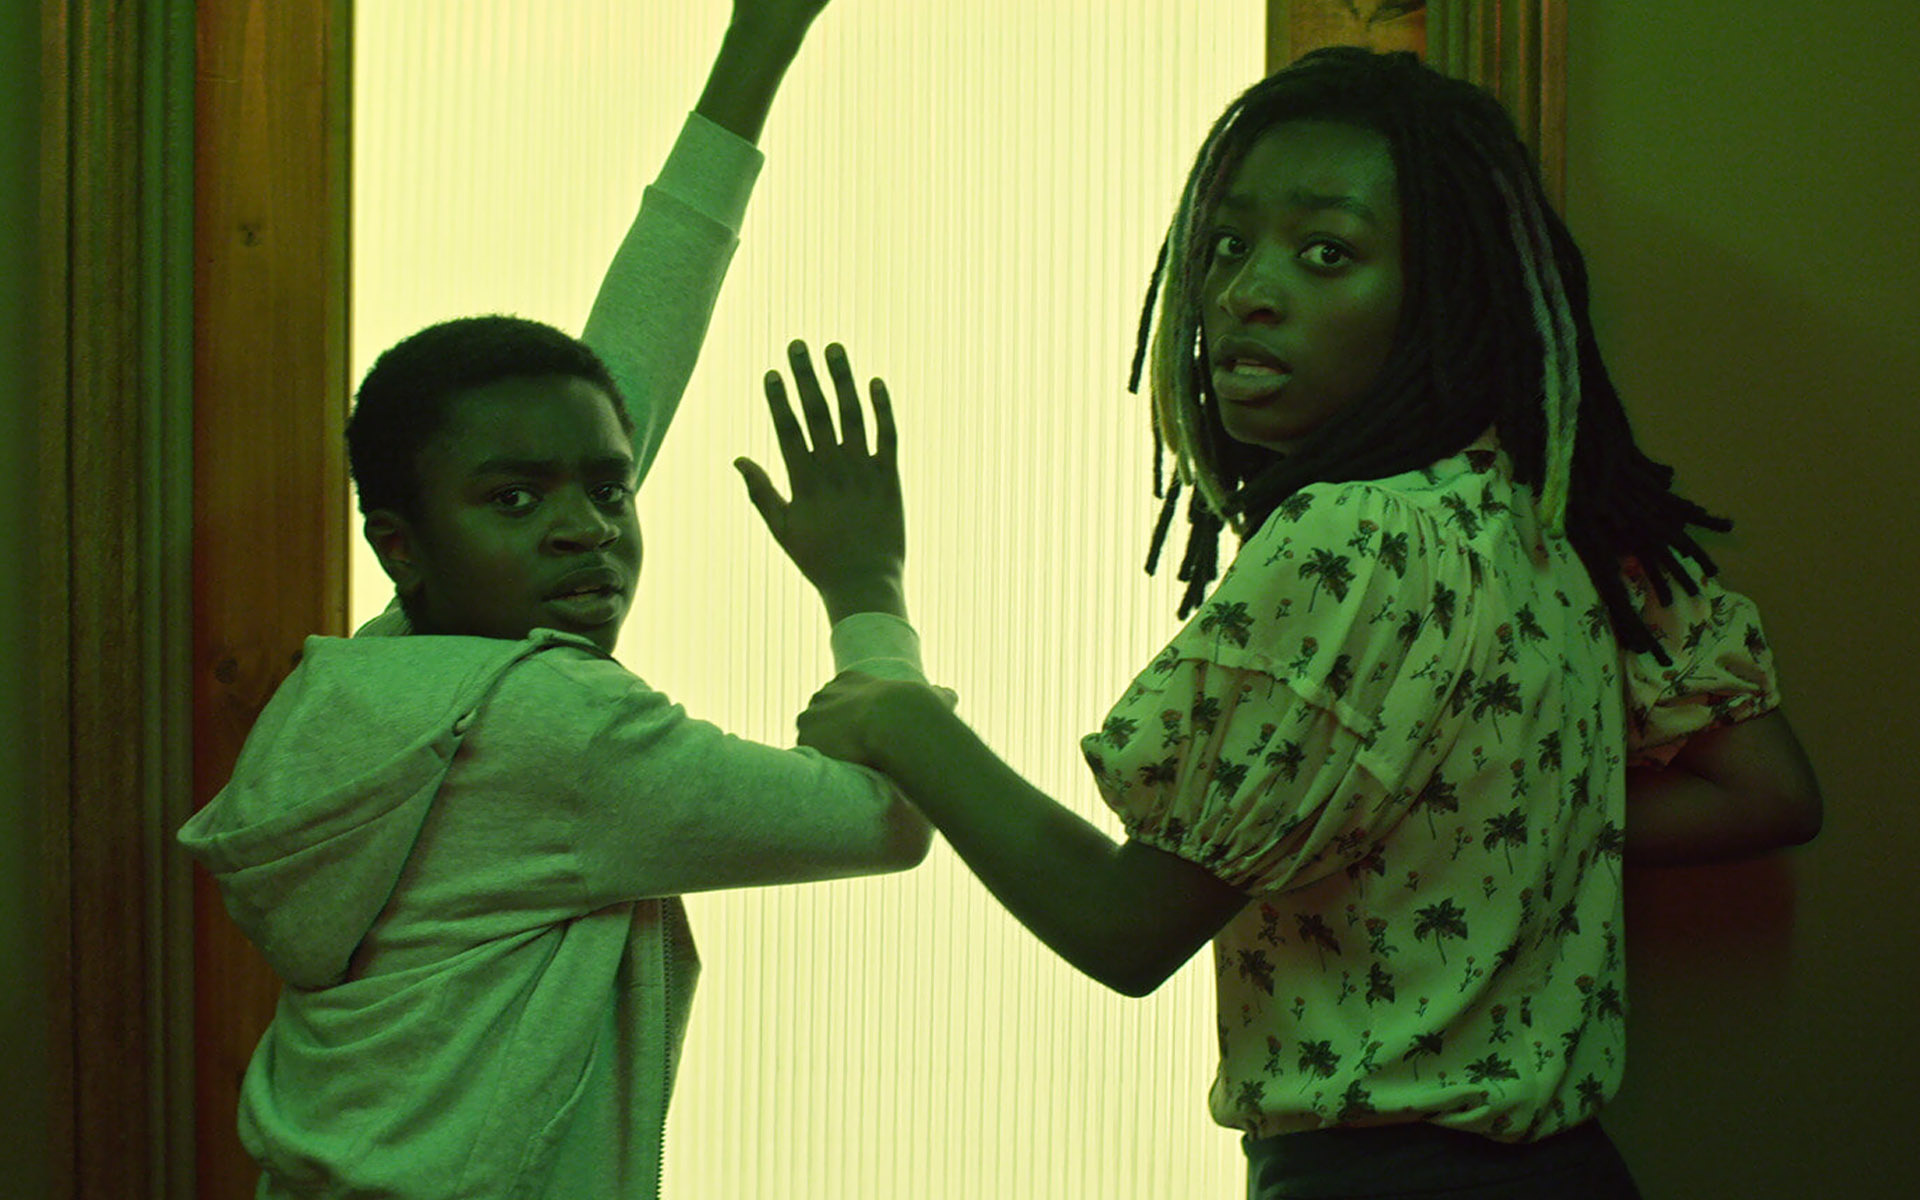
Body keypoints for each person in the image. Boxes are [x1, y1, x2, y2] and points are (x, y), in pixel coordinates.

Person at [736, 47, 1824, 1198]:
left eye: (1326, 253)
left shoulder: (1350, 539)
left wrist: (900, 715)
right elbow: (1767, 791)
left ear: (1444, 297)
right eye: (1224, 246)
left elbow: (1125, 927)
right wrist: (1479, 819)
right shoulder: (1553, 520)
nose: (1246, 292)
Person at [178, 3, 954, 1197]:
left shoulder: (371, 687)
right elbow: (890, 819)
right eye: (517, 499)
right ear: (401, 544)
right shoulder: (562, 733)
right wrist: (867, 590)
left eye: (608, 487)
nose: (587, 527)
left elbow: (621, 364)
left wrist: (755, 54)